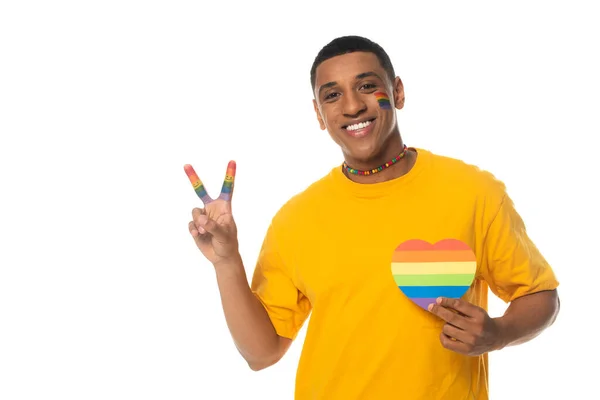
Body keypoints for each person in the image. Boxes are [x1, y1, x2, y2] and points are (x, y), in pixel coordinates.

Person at [186, 35, 560, 400]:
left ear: (397, 92)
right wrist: (226, 261)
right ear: (319, 113)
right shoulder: (295, 220)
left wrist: (500, 332)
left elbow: (540, 294)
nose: (351, 106)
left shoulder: (473, 192)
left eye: (367, 86)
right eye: (332, 95)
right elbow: (261, 353)